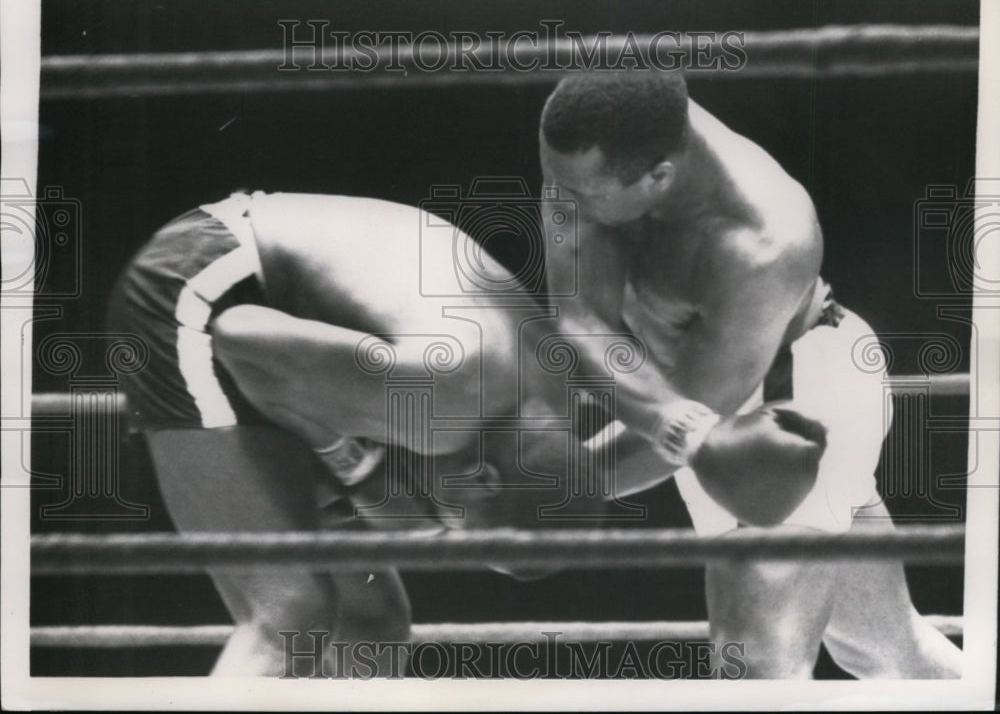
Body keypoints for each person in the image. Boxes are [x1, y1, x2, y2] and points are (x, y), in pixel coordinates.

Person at [107, 190, 831, 677]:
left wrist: (364, 478)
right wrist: (339, 452)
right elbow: (237, 339)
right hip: (202, 286)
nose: (442, 531)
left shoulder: (547, 423)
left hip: (297, 326)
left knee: (373, 615)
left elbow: (583, 482)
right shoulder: (442, 396)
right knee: (289, 614)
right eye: (464, 526)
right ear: (484, 481)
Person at [537, 71, 963, 678]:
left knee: (756, 673)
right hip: (697, 404)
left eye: (583, 195)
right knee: (887, 649)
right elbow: (581, 319)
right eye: (555, 178)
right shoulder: (595, 148)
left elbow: (697, 420)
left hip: (791, 404)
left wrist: (544, 494)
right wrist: (544, 482)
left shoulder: (762, 239)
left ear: (659, 177)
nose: (561, 200)